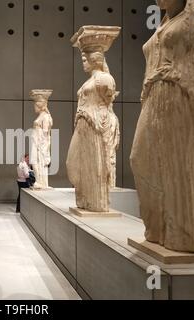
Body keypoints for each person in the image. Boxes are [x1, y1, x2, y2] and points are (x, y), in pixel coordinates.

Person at [130, 0, 194, 252]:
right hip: (154, 97)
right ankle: (157, 229)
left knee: (178, 165)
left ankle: (181, 235)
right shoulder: (163, 24)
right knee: (140, 159)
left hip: (178, 97)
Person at [66, 26, 120, 212]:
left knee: (93, 165)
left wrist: (107, 128)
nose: (83, 63)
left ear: (94, 58)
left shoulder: (103, 78)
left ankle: (95, 202)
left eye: (84, 59)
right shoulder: (89, 81)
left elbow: (108, 105)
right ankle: (85, 199)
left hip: (94, 126)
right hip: (83, 126)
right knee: (74, 164)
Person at [30, 90, 53, 189]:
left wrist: (43, 147)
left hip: (40, 143)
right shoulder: (41, 116)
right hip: (35, 140)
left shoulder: (46, 117)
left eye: (35, 105)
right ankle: (38, 181)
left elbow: (45, 133)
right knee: (33, 161)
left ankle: (40, 182)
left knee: (36, 161)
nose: (34, 107)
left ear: (40, 106)